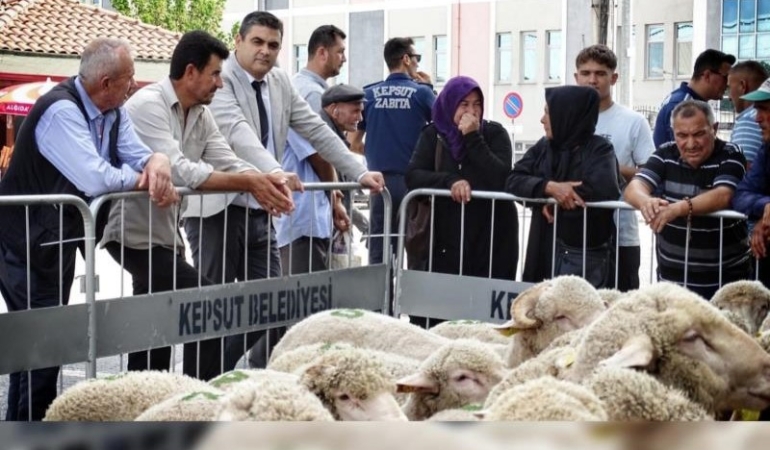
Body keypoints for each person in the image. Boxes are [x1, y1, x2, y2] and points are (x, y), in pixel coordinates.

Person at [100, 30, 296, 381]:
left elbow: (228, 159)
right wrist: (252, 182)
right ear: (191, 72)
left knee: (155, 324)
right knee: (203, 301)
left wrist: (268, 178)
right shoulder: (147, 105)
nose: (220, 84)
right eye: (216, 74)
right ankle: (196, 393)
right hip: (129, 233)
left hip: (163, 236)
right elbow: (182, 170)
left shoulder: (201, 115)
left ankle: (150, 400)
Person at [0, 38, 176, 421]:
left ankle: (22, 432)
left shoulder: (113, 110)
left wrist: (158, 160)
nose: (133, 86)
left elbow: (136, 151)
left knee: (40, 350)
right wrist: (145, 180)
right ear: (107, 81)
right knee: (42, 350)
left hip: (55, 241)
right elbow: (95, 178)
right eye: (129, 79)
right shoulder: (61, 110)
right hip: (23, 242)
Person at [203, 12, 384, 370]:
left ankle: (222, 374)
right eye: (257, 42)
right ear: (238, 42)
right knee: (215, 309)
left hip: (263, 207)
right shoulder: (221, 80)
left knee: (270, 305)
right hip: (217, 208)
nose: (265, 51)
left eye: (273, 45)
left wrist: (357, 171)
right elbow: (239, 134)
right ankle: (203, 383)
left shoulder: (280, 82)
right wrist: (274, 172)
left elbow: (317, 131)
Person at [626, 99, 750, 299]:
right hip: (672, 285)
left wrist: (677, 209)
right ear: (673, 132)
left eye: (699, 134)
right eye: (682, 135)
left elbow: (724, 195)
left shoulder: (731, 154)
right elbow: (635, 187)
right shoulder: (666, 152)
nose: (691, 144)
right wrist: (645, 201)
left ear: (714, 128)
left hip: (726, 286)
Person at [506, 85, 622, 287]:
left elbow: (601, 190)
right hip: (542, 250)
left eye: (548, 113)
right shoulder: (544, 147)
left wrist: (551, 204)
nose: (542, 120)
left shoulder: (599, 149)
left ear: (566, 114)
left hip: (582, 259)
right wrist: (548, 188)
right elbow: (513, 180)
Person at [405, 75, 518, 278]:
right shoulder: (433, 134)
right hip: (445, 238)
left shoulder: (494, 133)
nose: (472, 111)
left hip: (491, 235)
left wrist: (473, 138)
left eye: (477, 104)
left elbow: (501, 177)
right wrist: (450, 181)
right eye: (463, 104)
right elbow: (414, 176)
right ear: (450, 105)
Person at [573, 44, 654, 292]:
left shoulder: (634, 122)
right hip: (572, 234)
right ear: (576, 77)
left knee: (621, 310)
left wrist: (609, 167)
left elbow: (651, 174)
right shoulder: (566, 118)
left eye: (600, 73)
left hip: (621, 235)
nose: (592, 80)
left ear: (614, 78)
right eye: (585, 73)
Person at [349, 37, 436, 266]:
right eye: (416, 58)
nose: (417, 64)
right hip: (413, 184)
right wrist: (430, 88)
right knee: (417, 247)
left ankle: (380, 299)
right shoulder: (422, 93)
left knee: (380, 248)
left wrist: (376, 151)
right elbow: (444, 128)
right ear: (406, 59)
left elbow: (353, 142)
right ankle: (409, 299)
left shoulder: (368, 94)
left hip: (379, 183)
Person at [276, 85, 366, 274]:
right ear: (334, 110)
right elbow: (322, 160)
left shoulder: (327, 130)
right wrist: (336, 201)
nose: (360, 118)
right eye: (355, 111)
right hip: (302, 223)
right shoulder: (304, 124)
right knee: (303, 290)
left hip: (313, 223)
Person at [653, 49, 735, 147]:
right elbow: (682, 153)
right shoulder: (681, 104)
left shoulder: (690, 101)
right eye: (725, 77)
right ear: (707, 76)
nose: (728, 83)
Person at [728, 61, 768, 168]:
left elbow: (742, 169)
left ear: (742, 86)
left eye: (729, 88)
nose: (729, 97)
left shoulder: (748, 120)